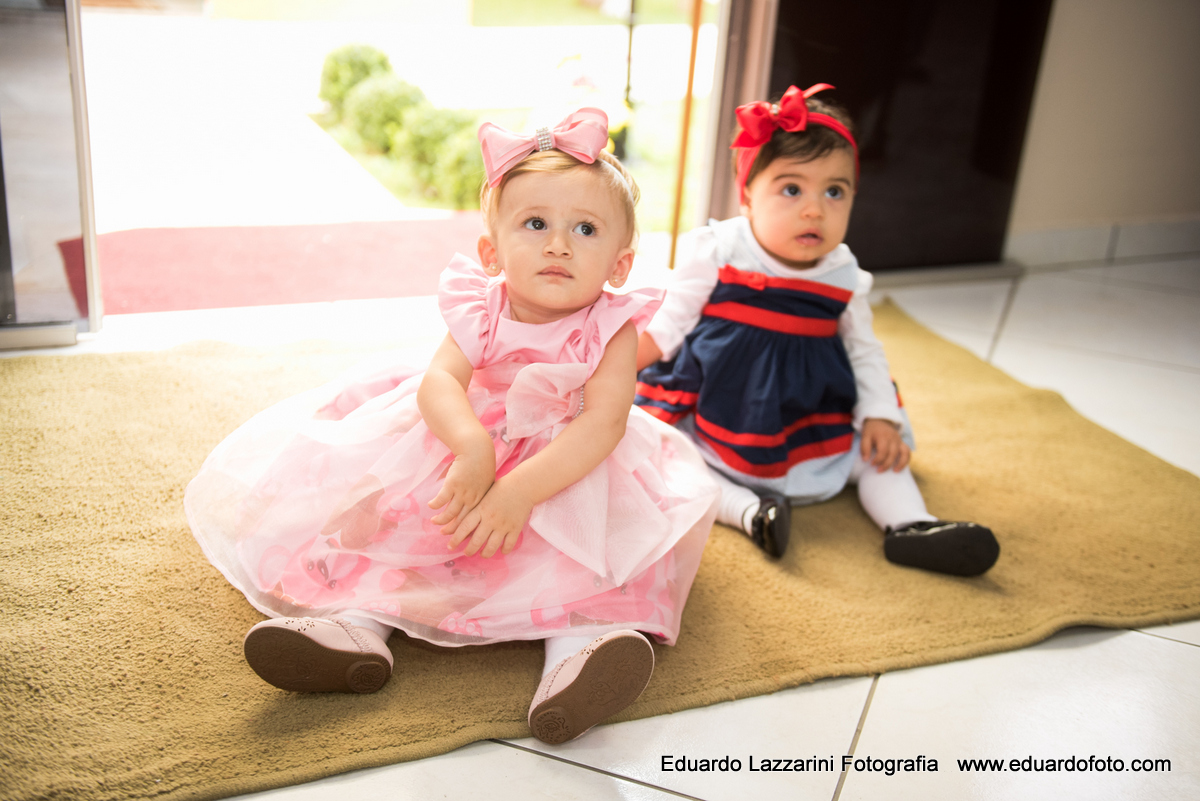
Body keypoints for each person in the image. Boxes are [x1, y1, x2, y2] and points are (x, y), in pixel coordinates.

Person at [185, 109, 719, 744]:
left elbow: (602, 425)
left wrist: (519, 491)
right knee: (402, 519)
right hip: (469, 438)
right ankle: (353, 629)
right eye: (536, 224)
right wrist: (470, 444)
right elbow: (440, 380)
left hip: (566, 459)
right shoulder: (482, 307)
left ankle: (580, 657)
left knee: (589, 551)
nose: (558, 244)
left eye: (585, 229)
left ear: (620, 266)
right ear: (492, 252)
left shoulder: (613, 327)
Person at [634, 85, 998, 576]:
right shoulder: (719, 249)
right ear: (747, 197)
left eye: (835, 191)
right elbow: (669, 323)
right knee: (665, 456)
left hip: (808, 408)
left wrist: (880, 416)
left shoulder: (843, 273)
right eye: (792, 189)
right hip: (720, 402)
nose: (815, 210)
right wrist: (614, 369)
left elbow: (864, 350)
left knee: (879, 453)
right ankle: (750, 512)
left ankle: (911, 525)